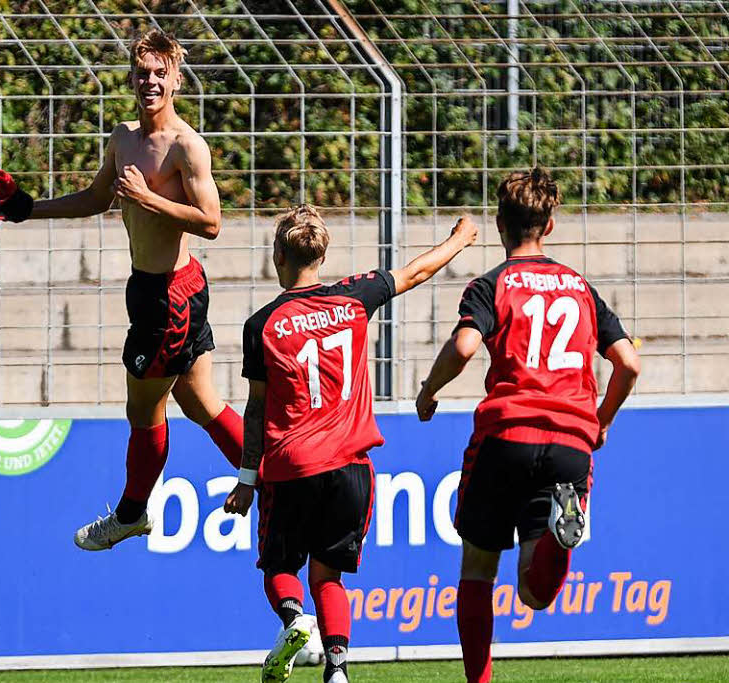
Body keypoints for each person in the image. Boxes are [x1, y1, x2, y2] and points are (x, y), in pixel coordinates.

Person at [0, 29, 245, 549]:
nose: (150, 81)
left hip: (169, 298)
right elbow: (94, 198)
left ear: (176, 78)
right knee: (201, 403)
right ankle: (275, 475)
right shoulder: (123, 137)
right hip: (160, 288)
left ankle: (132, 513)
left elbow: (211, 222)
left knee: (143, 412)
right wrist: (23, 209)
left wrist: (147, 199)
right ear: (132, 77)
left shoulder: (186, 146)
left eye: (160, 73)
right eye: (142, 72)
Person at [224, 205, 479, 683]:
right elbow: (417, 270)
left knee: (279, 566)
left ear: (278, 255)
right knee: (329, 576)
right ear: (322, 254)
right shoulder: (355, 297)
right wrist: (462, 238)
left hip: (291, 467)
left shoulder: (262, 324)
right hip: (351, 467)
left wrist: (245, 478)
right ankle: (337, 669)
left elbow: (256, 410)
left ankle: (295, 620)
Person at [415, 168, 641, 683]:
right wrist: (598, 422)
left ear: (500, 224)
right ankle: (560, 544)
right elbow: (628, 363)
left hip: (507, 433)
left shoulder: (492, 284)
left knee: (477, 567)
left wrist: (430, 390)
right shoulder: (580, 288)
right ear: (551, 225)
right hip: (570, 441)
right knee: (534, 594)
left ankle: (480, 682)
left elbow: (465, 346)